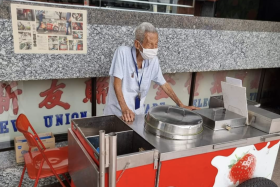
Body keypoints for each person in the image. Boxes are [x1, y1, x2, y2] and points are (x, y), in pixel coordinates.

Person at [104, 22, 199, 122]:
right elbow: (117, 85)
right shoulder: (122, 53)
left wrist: (181, 104)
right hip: (116, 114)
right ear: (137, 44)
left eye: (156, 44)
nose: (154, 49)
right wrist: (124, 109)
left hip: (137, 116)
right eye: (150, 44)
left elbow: (164, 84)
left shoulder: (153, 60)